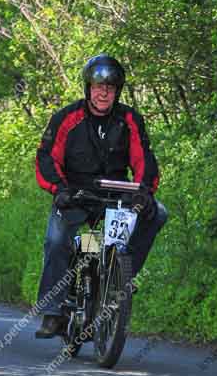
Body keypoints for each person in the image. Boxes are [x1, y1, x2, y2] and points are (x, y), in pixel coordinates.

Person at [34, 54, 168, 339]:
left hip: (117, 194)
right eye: (98, 86)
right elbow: (46, 157)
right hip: (75, 194)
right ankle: (53, 312)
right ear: (88, 88)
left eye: (110, 87)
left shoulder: (129, 118)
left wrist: (144, 192)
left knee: (159, 213)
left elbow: (144, 158)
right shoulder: (66, 118)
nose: (103, 92)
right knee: (57, 240)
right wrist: (59, 189)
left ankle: (122, 275)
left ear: (117, 91)